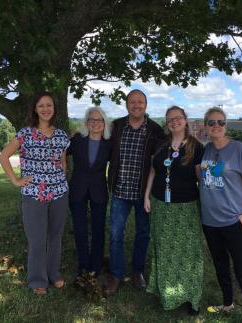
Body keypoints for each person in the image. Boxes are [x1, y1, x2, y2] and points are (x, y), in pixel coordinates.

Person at [0, 91, 70, 295]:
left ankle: (53, 273)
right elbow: (4, 156)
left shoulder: (62, 136)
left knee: (55, 237)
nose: (46, 109)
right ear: (35, 109)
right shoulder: (25, 134)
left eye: (49, 105)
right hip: (33, 194)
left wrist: (59, 179)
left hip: (59, 193)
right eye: (41, 106)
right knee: (37, 239)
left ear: (54, 109)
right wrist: (16, 181)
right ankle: (37, 279)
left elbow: (63, 163)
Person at [199, 107, 242, 323]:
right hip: (210, 222)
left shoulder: (239, 150)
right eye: (211, 122)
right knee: (220, 265)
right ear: (205, 126)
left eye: (220, 122)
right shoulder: (206, 150)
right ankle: (227, 303)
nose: (216, 126)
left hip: (234, 221)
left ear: (225, 126)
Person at [103, 89, 165, 296]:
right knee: (116, 234)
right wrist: (77, 135)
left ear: (146, 105)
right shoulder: (116, 126)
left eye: (140, 102)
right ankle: (116, 275)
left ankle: (137, 272)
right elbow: (98, 139)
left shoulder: (156, 130)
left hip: (143, 193)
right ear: (127, 104)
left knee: (143, 234)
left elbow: (166, 154)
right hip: (120, 190)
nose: (136, 105)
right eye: (132, 101)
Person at [144, 106, 204, 315]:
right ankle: (167, 291)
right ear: (167, 123)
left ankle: (190, 295)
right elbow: (153, 171)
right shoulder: (162, 145)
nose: (174, 121)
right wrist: (146, 197)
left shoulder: (197, 147)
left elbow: (201, 178)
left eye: (178, 118)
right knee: (164, 249)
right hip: (161, 205)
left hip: (186, 208)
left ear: (185, 120)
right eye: (170, 119)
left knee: (188, 252)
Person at [67, 106, 112, 280]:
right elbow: (60, 151)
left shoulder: (109, 143)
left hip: (99, 190)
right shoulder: (77, 139)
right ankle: (83, 265)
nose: (95, 123)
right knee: (80, 229)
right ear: (87, 123)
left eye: (99, 120)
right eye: (92, 120)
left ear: (104, 123)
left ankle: (96, 264)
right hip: (77, 189)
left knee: (98, 229)